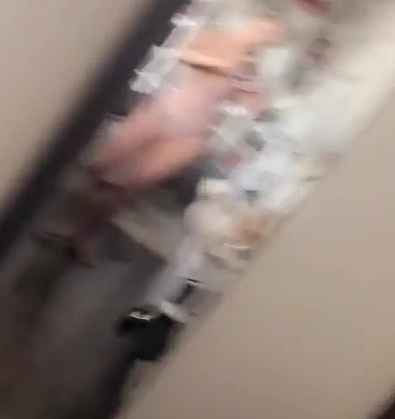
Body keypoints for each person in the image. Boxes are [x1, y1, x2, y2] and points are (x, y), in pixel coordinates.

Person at [43, 17, 281, 263]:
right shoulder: (216, 39)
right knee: (100, 164)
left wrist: (253, 95)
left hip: (192, 132)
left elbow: (253, 106)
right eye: (264, 32)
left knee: (126, 187)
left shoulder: (250, 69)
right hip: (163, 111)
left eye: (270, 39)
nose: (263, 40)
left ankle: (82, 237)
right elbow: (187, 55)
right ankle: (58, 219)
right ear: (252, 25)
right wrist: (228, 67)